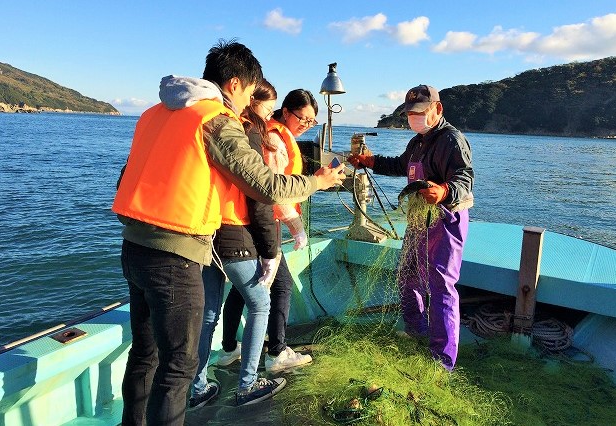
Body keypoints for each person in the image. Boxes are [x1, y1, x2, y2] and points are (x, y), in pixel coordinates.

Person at [112, 40, 345, 426]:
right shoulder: (215, 120)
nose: (247, 104)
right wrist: (317, 181)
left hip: (134, 249)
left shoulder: (154, 114)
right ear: (236, 84)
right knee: (178, 368)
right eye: (251, 93)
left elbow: (127, 179)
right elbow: (265, 185)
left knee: (145, 356)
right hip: (175, 255)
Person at [348, 84, 474, 371]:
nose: (414, 118)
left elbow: (465, 179)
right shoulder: (417, 141)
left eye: (420, 112)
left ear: (437, 109)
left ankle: (442, 359)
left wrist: (443, 190)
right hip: (419, 219)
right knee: (408, 275)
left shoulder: (452, 140)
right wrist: (370, 160)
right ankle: (416, 329)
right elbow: (401, 166)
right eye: (410, 114)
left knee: (441, 284)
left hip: (446, 218)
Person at [188, 78, 286, 409]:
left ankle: (197, 387)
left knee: (209, 312)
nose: (270, 114)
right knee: (260, 302)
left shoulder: (211, 124)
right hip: (233, 231)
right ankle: (246, 385)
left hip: (205, 232)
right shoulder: (249, 131)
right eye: (268, 107)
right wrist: (270, 250)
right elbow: (259, 196)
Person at [219, 89, 318, 373]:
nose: (305, 125)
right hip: (263, 223)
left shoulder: (265, 133)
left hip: (242, 221)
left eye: (311, 123)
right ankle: (276, 351)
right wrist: (296, 227)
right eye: (303, 118)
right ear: (285, 112)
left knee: (242, 288)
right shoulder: (274, 138)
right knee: (281, 284)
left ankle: (228, 348)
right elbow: (273, 191)